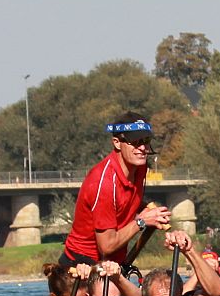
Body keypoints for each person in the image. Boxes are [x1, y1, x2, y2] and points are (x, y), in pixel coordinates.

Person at [58, 112, 172, 267]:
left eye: (146, 141)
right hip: (82, 264)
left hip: (112, 264)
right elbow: (106, 246)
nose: (142, 148)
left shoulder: (139, 167)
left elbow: (126, 198)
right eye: (135, 142)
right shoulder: (104, 183)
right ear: (117, 143)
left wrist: (150, 211)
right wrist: (142, 221)